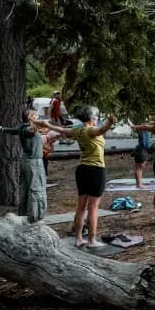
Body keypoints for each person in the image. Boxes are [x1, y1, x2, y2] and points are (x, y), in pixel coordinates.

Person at [42, 106, 116, 248]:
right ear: (91, 118)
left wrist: (47, 125)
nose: (97, 119)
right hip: (96, 170)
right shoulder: (90, 130)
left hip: (82, 169)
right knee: (93, 207)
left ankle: (78, 238)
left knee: (81, 207)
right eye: (95, 117)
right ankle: (91, 240)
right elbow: (101, 130)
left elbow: (62, 130)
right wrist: (109, 123)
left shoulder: (77, 130)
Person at [0, 109, 48, 222]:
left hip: (26, 162)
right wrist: (40, 125)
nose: (38, 116)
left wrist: (2, 129)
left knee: (25, 188)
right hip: (34, 163)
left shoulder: (21, 127)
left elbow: (11, 130)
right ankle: (35, 216)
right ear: (30, 117)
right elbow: (31, 131)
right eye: (35, 115)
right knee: (36, 188)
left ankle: (23, 214)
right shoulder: (28, 129)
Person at [130, 118, 154, 189]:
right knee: (140, 167)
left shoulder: (145, 130)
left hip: (140, 149)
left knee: (139, 168)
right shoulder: (145, 129)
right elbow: (150, 123)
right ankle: (139, 184)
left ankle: (139, 184)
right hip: (141, 150)